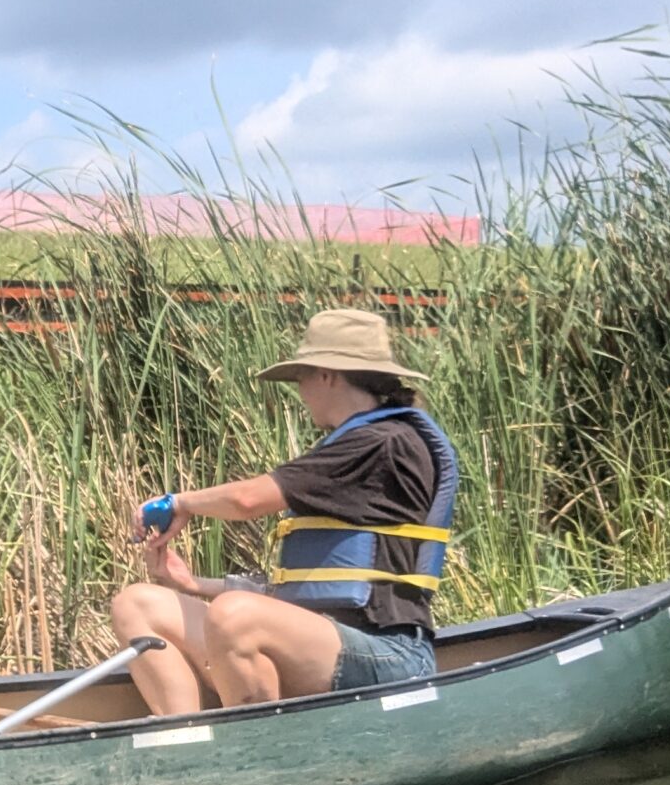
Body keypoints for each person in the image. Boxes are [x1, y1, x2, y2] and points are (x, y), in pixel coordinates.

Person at [109, 306, 458, 716]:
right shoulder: (350, 447)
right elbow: (305, 590)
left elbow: (248, 501)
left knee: (236, 617)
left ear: (327, 375)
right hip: (318, 647)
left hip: (388, 655)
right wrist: (191, 583)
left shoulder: (383, 444)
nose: (300, 390)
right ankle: (184, 736)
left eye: (302, 377)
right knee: (138, 603)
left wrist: (179, 503)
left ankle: (256, 753)